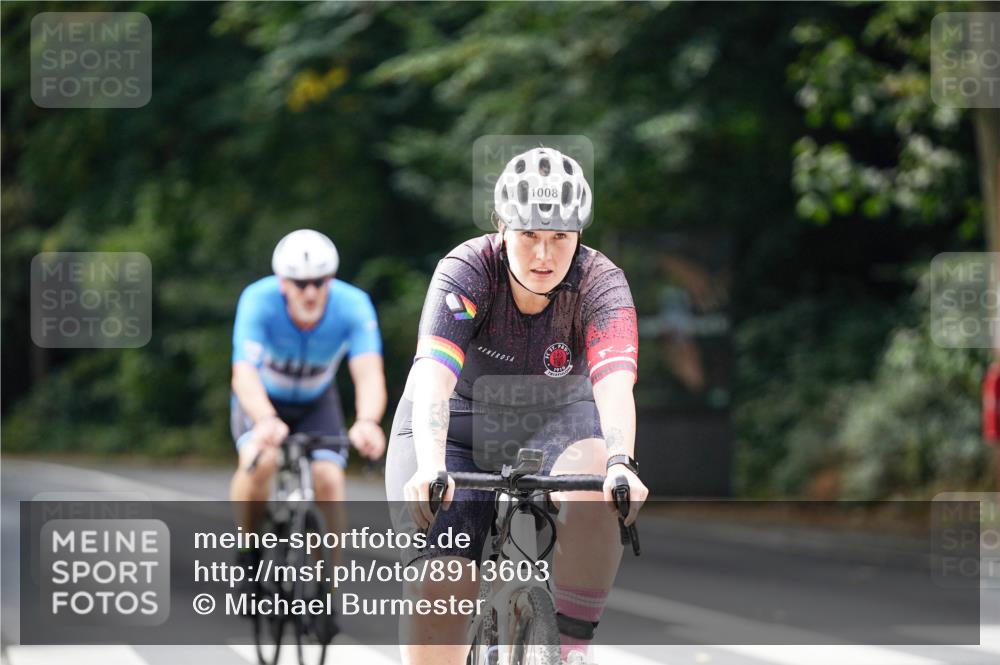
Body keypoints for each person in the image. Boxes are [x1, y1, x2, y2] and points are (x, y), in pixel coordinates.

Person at [385, 147, 649, 665]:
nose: (544, 256)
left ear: (579, 237)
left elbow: (615, 384)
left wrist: (622, 463)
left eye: (560, 238)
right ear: (501, 227)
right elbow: (435, 379)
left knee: (598, 479)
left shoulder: (601, 283)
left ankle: (570, 649)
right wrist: (433, 466)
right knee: (443, 580)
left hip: (557, 423)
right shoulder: (467, 271)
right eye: (529, 235)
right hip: (457, 428)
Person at [229, 229, 387, 568]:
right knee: (261, 461)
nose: (311, 291)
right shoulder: (258, 300)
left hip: (317, 400)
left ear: (331, 278)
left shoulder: (353, 305)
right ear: (283, 282)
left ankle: (327, 581)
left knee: (328, 478)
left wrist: (368, 421)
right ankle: (247, 549)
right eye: (301, 284)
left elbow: (369, 372)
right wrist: (265, 419)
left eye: (320, 281)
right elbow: (244, 373)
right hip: (264, 400)